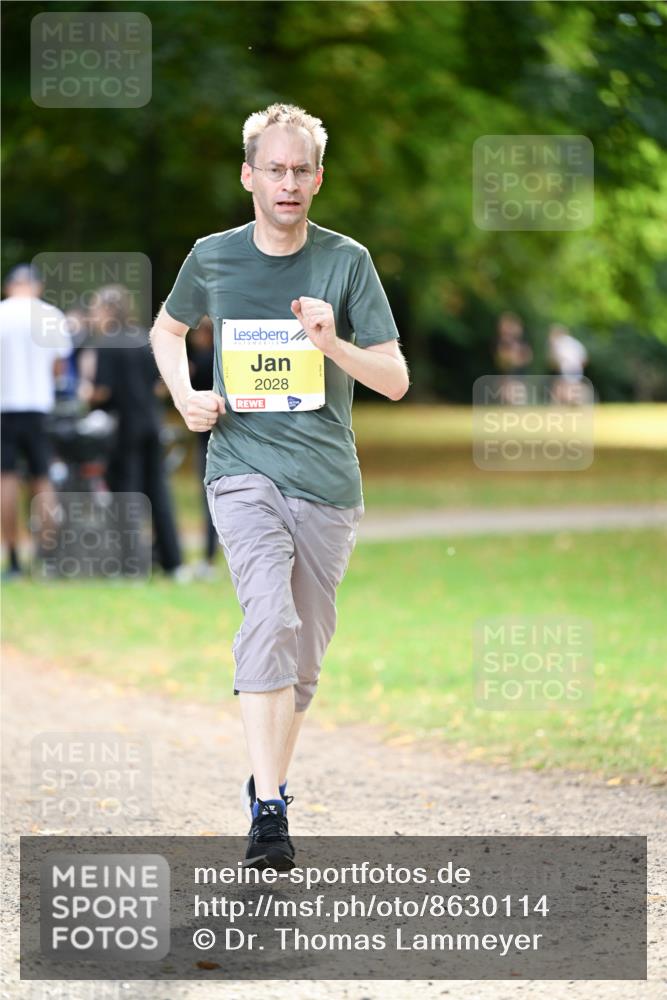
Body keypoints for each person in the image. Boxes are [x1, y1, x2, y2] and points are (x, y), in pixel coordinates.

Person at [150, 103, 409, 869]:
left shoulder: (346, 261)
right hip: (241, 468)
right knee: (269, 616)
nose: (287, 182)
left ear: (317, 179)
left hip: (327, 482)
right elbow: (166, 331)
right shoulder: (213, 257)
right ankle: (270, 811)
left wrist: (333, 344)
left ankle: (265, 779)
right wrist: (185, 394)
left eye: (301, 170)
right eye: (274, 168)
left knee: (302, 661)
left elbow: (394, 380)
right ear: (248, 176)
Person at [88, 284, 186, 579]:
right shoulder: (145, 339)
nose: (94, 316)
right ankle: (172, 562)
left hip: (123, 429)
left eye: (96, 309)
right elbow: (160, 384)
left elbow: (102, 391)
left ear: (108, 310)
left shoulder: (107, 343)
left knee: (126, 494)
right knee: (158, 492)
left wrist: (86, 395)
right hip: (152, 425)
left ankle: (130, 564)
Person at [0, 264, 71, 578]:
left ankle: (13, 559)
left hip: (5, 406)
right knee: (42, 479)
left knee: (6, 479)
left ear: (9, 287)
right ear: (37, 287)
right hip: (38, 407)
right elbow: (58, 368)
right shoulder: (50, 315)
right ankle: (47, 558)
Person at [188, 317, 217, 577]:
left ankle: (209, 555)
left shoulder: (202, 363)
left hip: (207, 440)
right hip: (219, 437)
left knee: (210, 500)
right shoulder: (221, 362)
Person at [494, 311, 533, 404]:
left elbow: (528, 356)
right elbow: (501, 359)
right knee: (508, 394)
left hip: (518, 373)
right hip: (508, 373)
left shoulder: (521, 343)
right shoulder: (502, 342)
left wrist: (517, 360)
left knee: (516, 395)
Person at [548, 323, 589, 404]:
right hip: (576, 367)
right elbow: (584, 358)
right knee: (573, 385)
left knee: (564, 386)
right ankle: (576, 401)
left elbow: (554, 359)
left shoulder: (559, 342)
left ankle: (569, 402)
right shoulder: (574, 342)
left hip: (566, 367)